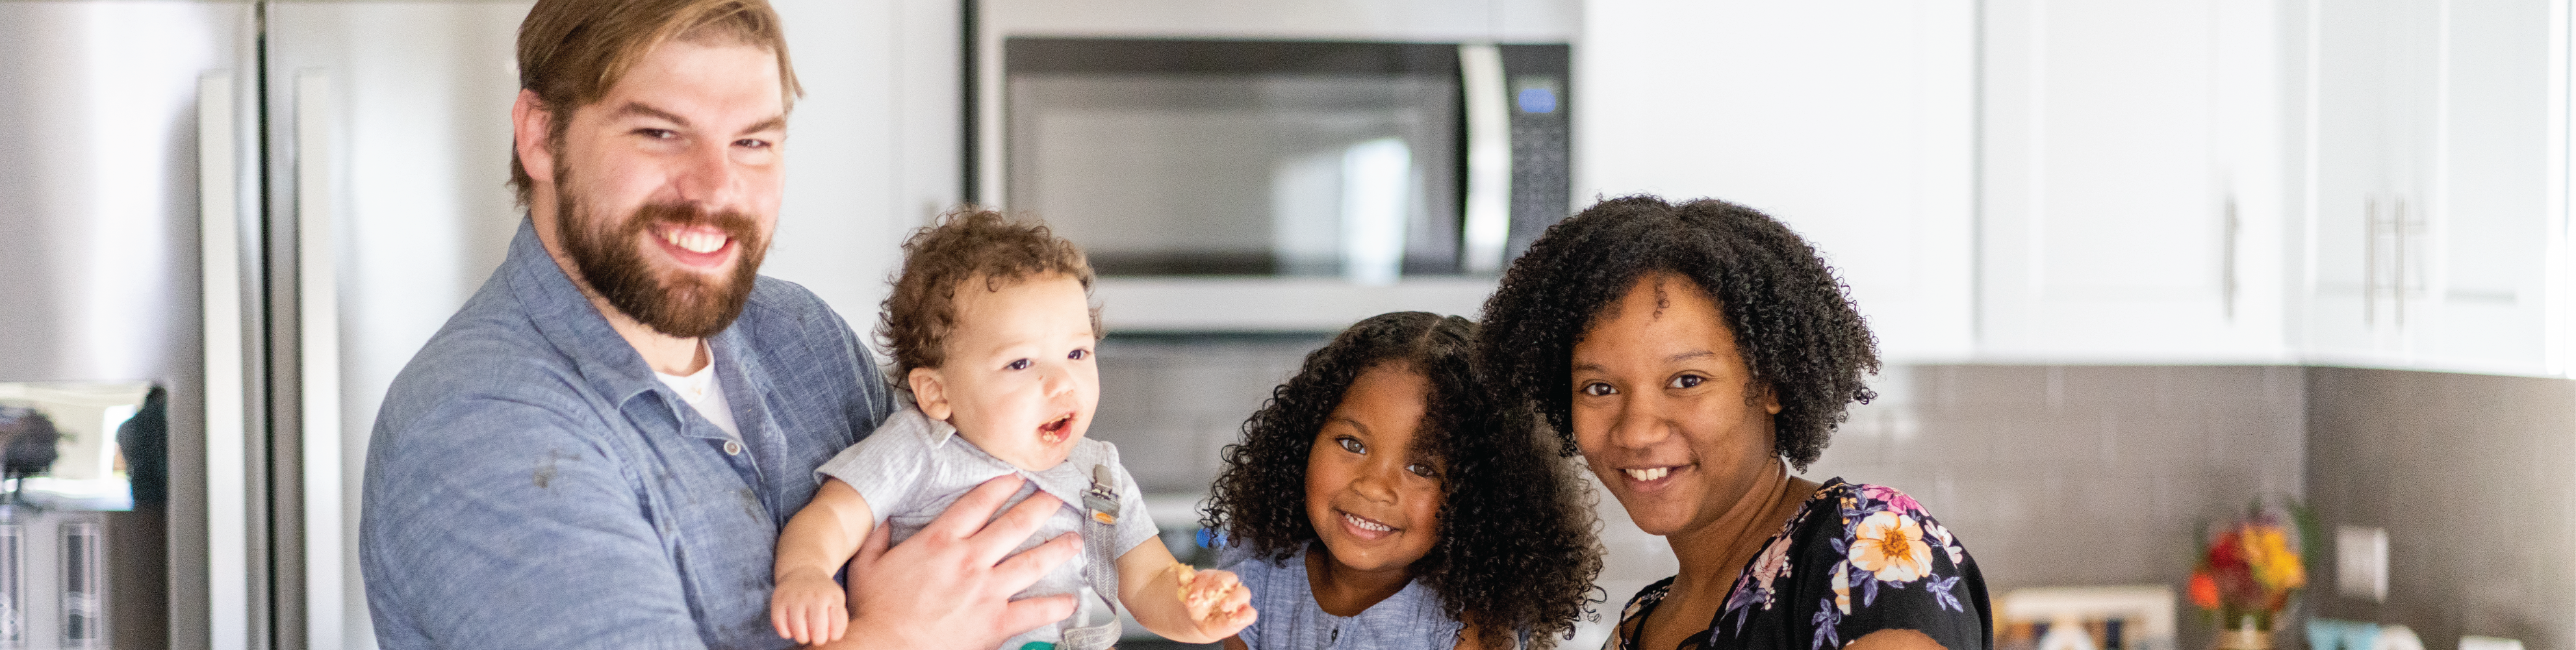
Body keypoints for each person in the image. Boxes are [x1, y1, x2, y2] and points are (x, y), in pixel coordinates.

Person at [359, 2, 1077, 648]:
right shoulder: (480, 422)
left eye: (753, 143)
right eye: (660, 132)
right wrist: (898, 637)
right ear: (540, 136)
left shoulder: (801, 335)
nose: (717, 189)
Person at [1475, 196, 1993, 650]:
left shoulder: (1866, 544)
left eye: (1686, 380)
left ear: (1771, 383)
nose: (1636, 431)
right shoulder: (1641, 623)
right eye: (1600, 389)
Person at [768, 210, 1257, 649]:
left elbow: (1148, 582)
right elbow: (832, 516)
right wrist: (806, 572)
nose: (1061, 381)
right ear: (937, 394)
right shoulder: (916, 448)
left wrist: (1190, 608)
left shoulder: (1099, 475)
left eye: (1077, 353)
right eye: (1020, 362)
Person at [1203, 311, 1601, 650]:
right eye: (1351, 444)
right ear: (1303, 439)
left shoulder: (1471, 627)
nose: (1374, 486)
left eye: (1422, 469)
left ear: (1478, 498)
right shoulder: (1257, 582)